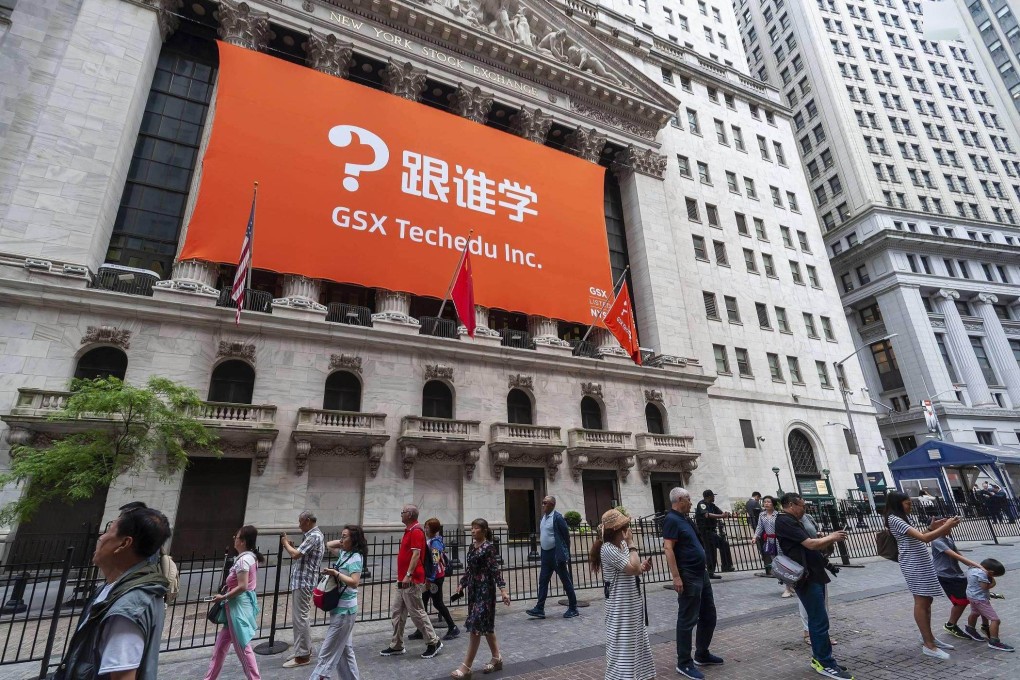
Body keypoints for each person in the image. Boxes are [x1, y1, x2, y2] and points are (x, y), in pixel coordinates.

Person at [55, 507, 171, 680]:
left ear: (124, 543)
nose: (101, 537)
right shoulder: (110, 590)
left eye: (109, 530)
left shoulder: (129, 606)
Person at [775, 493, 852, 679]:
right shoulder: (785, 521)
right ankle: (824, 662)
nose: (805, 509)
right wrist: (832, 537)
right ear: (792, 505)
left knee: (820, 619)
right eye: (802, 505)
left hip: (814, 573)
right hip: (806, 577)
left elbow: (810, 546)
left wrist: (826, 548)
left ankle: (822, 657)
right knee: (818, 620)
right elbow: (809, 544)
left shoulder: (794, 520)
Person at [883, 490, 961, 659]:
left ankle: (929, 637)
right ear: (898, 504)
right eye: (908, 503)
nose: (910, 506)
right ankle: (928, 645)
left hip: (920, 562)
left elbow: (919, 537)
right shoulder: (895, 519)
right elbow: (925, 539)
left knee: (927, 599)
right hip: (913, 563)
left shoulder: (903, 517)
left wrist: (931, 528)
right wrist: (946, 526)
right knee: (921, 601)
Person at [662, 488, 721, 680]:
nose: (690, 502)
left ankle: (701, 653)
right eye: (688, 499)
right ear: (679, 499)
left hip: (700, 574)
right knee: (687, 620)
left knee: (709, 614)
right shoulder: (671, 519)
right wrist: (676, 576)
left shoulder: (686, 519)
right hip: (688, 575)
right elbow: (668, 548)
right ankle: (684, 662)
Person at [589, 508, 654, 680]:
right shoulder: (608, 549)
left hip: (632, 603)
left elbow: (634, 568)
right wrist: (632, 544)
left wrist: (642, 567)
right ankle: (621, 676)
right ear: (616, 530)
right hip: (620, 606)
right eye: (625, 526)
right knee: (622, 644)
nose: (628, 529)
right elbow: (632, 568)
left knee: (637, 640)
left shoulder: (622, 545)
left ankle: (641, 674)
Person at [381, 504, 443, 659]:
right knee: (397, 612)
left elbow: (416, 555)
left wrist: (409, 574)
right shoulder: (408, 530)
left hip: (412, 579)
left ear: (409, 514)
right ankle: (396, 645)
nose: (400, 514)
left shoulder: (416, 531)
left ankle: (433, 642)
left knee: (417, 612)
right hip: (402, 579)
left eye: (402, 512)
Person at [451, 518, 510, 679]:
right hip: (473, 590)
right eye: (472, 528)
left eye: (476, 528)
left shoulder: (489, 548)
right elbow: (470, 569)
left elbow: (495, 570)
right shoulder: (472, 547)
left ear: (484, 531)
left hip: (485, 591)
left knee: (476, 626)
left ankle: (466, 667)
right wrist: (462, 584)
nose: (473, 531)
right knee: (486, 626)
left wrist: (503, 590)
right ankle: (497, 658)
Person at [203, 525, 263, 680]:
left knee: (243, 648)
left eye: (236, 537)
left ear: (242, 541)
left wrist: (223, 597)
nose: (234, 540)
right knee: (220, 649)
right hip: (237, 607)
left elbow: (242, 586)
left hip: (237, 608)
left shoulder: (244, 561)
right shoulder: (250, 558)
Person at [310, 524, 367, 680]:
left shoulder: (355, 558)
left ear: (354, 539)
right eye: (341, 536)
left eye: (344, 536)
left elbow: (354, 582)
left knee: (326, 654)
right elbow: (328, 545)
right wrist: (343, 540)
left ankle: (319, 676)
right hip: (339, 609)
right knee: (345, 651)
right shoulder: (344, 553)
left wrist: (335, 573)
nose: (341, 539)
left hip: (345, 612)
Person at [281, 511, 325, 668]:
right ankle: (302, 650)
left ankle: (303, 655)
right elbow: (300, 554)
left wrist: (285, 543)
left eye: (300, 522)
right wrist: (291, 547)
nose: (299, 525)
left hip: (304, 582)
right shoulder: (311, 536)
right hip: (301, 582)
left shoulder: (314, 536)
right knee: (298, 618)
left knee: (301, 618)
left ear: (307, 521)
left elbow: (296, 555)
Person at [526, 495, 579, 619]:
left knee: (565, 580)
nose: (543, 504)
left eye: (545, 503)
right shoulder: (543, 518)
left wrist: (564, 552)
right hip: (545, 554)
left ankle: (573, 607)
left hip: (556, 554)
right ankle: (539, 608)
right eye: (543, 502)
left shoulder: (558, 518)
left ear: (552, 505)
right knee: (543, 581)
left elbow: (566, 536)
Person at [930, 523, 985, 642]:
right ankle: (951, 625)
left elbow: (959, 554)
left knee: (974, 597)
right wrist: (978, 566)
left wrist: (972, 566)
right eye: (946, 526)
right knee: (961, 601)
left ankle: (980, 626)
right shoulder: (936, 541)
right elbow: (954, 555)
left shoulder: (948, 539)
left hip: (957, 573)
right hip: (946, 575)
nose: (949, 528)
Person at [412, 518, 459, 641]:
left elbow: (435, 561)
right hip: (429, 576)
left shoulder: (435, 542)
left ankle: (452, 627)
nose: (425, 528)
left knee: (438, 603)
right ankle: (421, 629)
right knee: (423, 601)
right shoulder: (430, 540)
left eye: (427, 526)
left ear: (432, 529)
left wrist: (430, 578)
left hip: (435, 577)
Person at [966, 558, 1014, 651]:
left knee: (975, 613)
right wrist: (993, 583)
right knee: (995, 620)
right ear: (991, 572)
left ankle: (970, 629)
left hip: (971, 596)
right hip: (980, 599)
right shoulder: (983, 574)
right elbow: (984, 587)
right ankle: (994, 641)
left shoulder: (973, 569)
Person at [694, 490, 733, 579]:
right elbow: (707, 515)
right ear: (708, 496)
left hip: (712, 530)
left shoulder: (712, 505)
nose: (714, 497)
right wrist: (721, 516)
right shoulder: (701, 504)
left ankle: (726, 566)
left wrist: (726, 514)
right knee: (710, 551)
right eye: (712, 496)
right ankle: (711, 572)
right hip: (705, 531)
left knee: (724, 544)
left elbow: (720, 512)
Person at [753, 496, 779, 577]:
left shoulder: (778, 514)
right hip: (769, 539)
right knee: (773, 556)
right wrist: (755, 536)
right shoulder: (762, 515)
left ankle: (783, 573)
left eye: (769, 502)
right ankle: (777, 572)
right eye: (765, 502)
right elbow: (759, 527)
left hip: (778, 539)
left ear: (773, 504)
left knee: (781, 556)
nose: (766, 504)